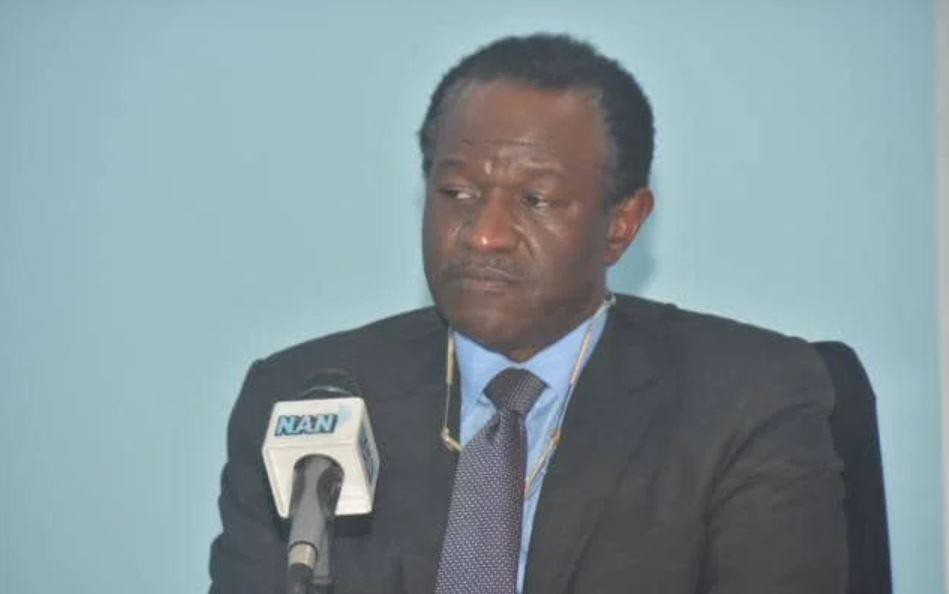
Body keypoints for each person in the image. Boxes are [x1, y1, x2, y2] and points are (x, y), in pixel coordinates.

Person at [209, 33, 846, 594]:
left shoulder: (745, 403)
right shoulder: (307, 398)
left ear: (621, 224)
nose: (484, 235)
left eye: (536, 199)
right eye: (457, 192)